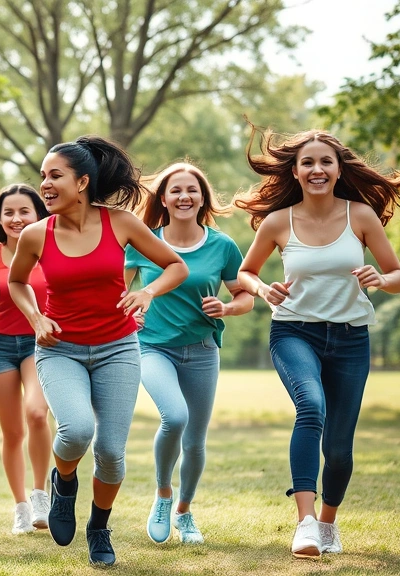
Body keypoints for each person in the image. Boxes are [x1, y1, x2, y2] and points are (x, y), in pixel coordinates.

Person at [234, 127, 400, 559]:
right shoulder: (280, 221)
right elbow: (247, 273)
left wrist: (381, 277)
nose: (317, 169)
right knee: (310, 406)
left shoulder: (361, 216)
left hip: (351, 337)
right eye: (308, 163)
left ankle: (328, 523)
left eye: (325, 162)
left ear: (338, 171)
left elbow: (398, 276)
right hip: (295, 330)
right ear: (295, 172)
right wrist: (262, 291)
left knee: (338, 447)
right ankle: (305, 523)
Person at [8, 136, 188, 566]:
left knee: (110, 451)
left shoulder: (121, 223)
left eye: (55, 176)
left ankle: (99, 527)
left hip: (117, 348)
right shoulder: (36, 234)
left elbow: (176, 266)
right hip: (59, 349)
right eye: (42, 177)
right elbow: (16, 283)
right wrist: (36, 319)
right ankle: (64, 484)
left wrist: (147, 294)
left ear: (83, 181)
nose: (45, 185)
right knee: (76, 431)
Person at [123, 162, 254, 545]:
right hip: (152, 349)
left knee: (195, 440)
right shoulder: (144, 241)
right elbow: (118, 290)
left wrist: (228, 308)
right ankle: (163, 495)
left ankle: (184, 510)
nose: (184, 196)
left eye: (192, 190)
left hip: (201, 350)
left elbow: (243, 295)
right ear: (163, 198)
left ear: (202, 198)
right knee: (175, 416)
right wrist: (133, 313)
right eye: (176, 190)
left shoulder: (222, 245)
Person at [0, 184, 53, 535]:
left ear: (39, 214)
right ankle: (21, 506)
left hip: (40, 343)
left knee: (37, 414)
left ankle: (41, 494)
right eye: (8, 212)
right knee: (12, 432)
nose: (16, 218)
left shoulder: (51, 251)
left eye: (24, 211)